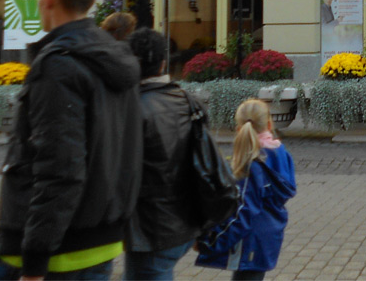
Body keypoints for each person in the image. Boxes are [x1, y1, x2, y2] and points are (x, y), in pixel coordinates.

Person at [0, 0, 142, 281]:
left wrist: (34, 262)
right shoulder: (114, 56)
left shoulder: (58, 66)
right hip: (101, 241)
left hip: (56, 252)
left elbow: (60, 168)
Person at [124, 28, 203, 280]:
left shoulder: (129, 108)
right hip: (185, 220)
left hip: (151, 229)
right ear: (163, 63)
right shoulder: (187, 100)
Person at [195, 99, 296, 281]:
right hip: (268, 234)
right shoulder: (280, 153)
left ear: (238, 128)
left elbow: (242, 212)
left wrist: (211, 242)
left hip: (250, 239)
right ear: (269, 124)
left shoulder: (252, 165)